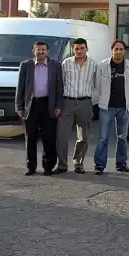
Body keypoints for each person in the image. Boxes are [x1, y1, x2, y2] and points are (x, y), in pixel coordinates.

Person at [15, 41, 63, 176]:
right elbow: (20, 87)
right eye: (38, 49)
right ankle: (31, 166)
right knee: (30, 138)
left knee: (49, 137)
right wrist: (19, 106)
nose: (40, 52)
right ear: (33, 51)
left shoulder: (55, 65)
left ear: (47, 51)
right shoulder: (26, 65)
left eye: (43, 49)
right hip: (31, 105)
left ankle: (48, 166)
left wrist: (59, 106)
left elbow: (60, 87)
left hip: (49, 104)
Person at [54, 38, 98, 174]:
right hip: (67, 102)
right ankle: (62, 165)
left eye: (82, 48)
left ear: (87, 49)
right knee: (62, 136)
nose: (79, 51)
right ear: (73, 50)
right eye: (76, 49)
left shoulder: (93, 65)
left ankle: (79, 163)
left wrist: (93, 102)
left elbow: (96, 85)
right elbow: (59, 85)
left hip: (85, 103)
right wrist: (58, 105)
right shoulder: (66, 64)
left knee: (83, 137)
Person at [93, 40, 129, 175]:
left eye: (121, 49)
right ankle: (99, 165)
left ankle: (121, 164)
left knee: (122, 138)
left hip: (124, 107)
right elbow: (97, 85)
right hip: (107, 107)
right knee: (103, 138)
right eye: (116, 49)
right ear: (111, 50)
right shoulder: (102, 65)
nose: (118, 52)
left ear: (124, 51)